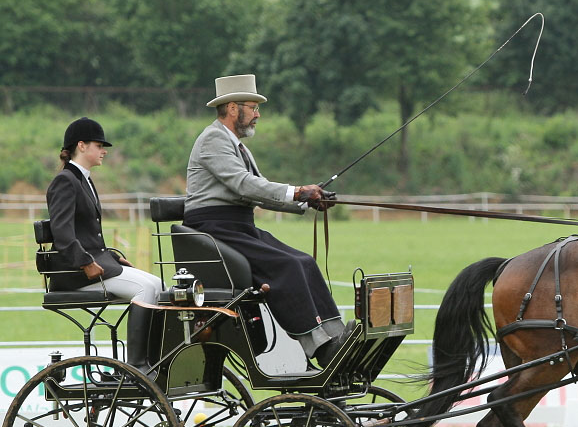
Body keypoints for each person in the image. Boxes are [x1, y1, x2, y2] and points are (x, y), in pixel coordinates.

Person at [183, 74, 350, 368]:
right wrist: (298, 191)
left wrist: (306, 200)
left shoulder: (238, 146)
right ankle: (320, 348)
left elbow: (259, 193)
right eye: (254, 107)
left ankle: (336, 337)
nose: (258, 114)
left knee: (304, 262)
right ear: (233, 108)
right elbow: (244, 185)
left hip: (238, 227)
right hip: (214, 229)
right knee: (286, 267)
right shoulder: (213, 139)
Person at [46, 117, 163, 371]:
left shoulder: (84, 179)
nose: (104, 150)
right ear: (82, 145)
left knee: (158, 285)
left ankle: (154, 359)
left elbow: (88, 235)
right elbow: (63, 234)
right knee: (145, 290)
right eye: (99, 145)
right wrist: (86, 262)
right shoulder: (66, 180)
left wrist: (110, 255)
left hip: (99, 263)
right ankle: (137, 365)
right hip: (76, 274)